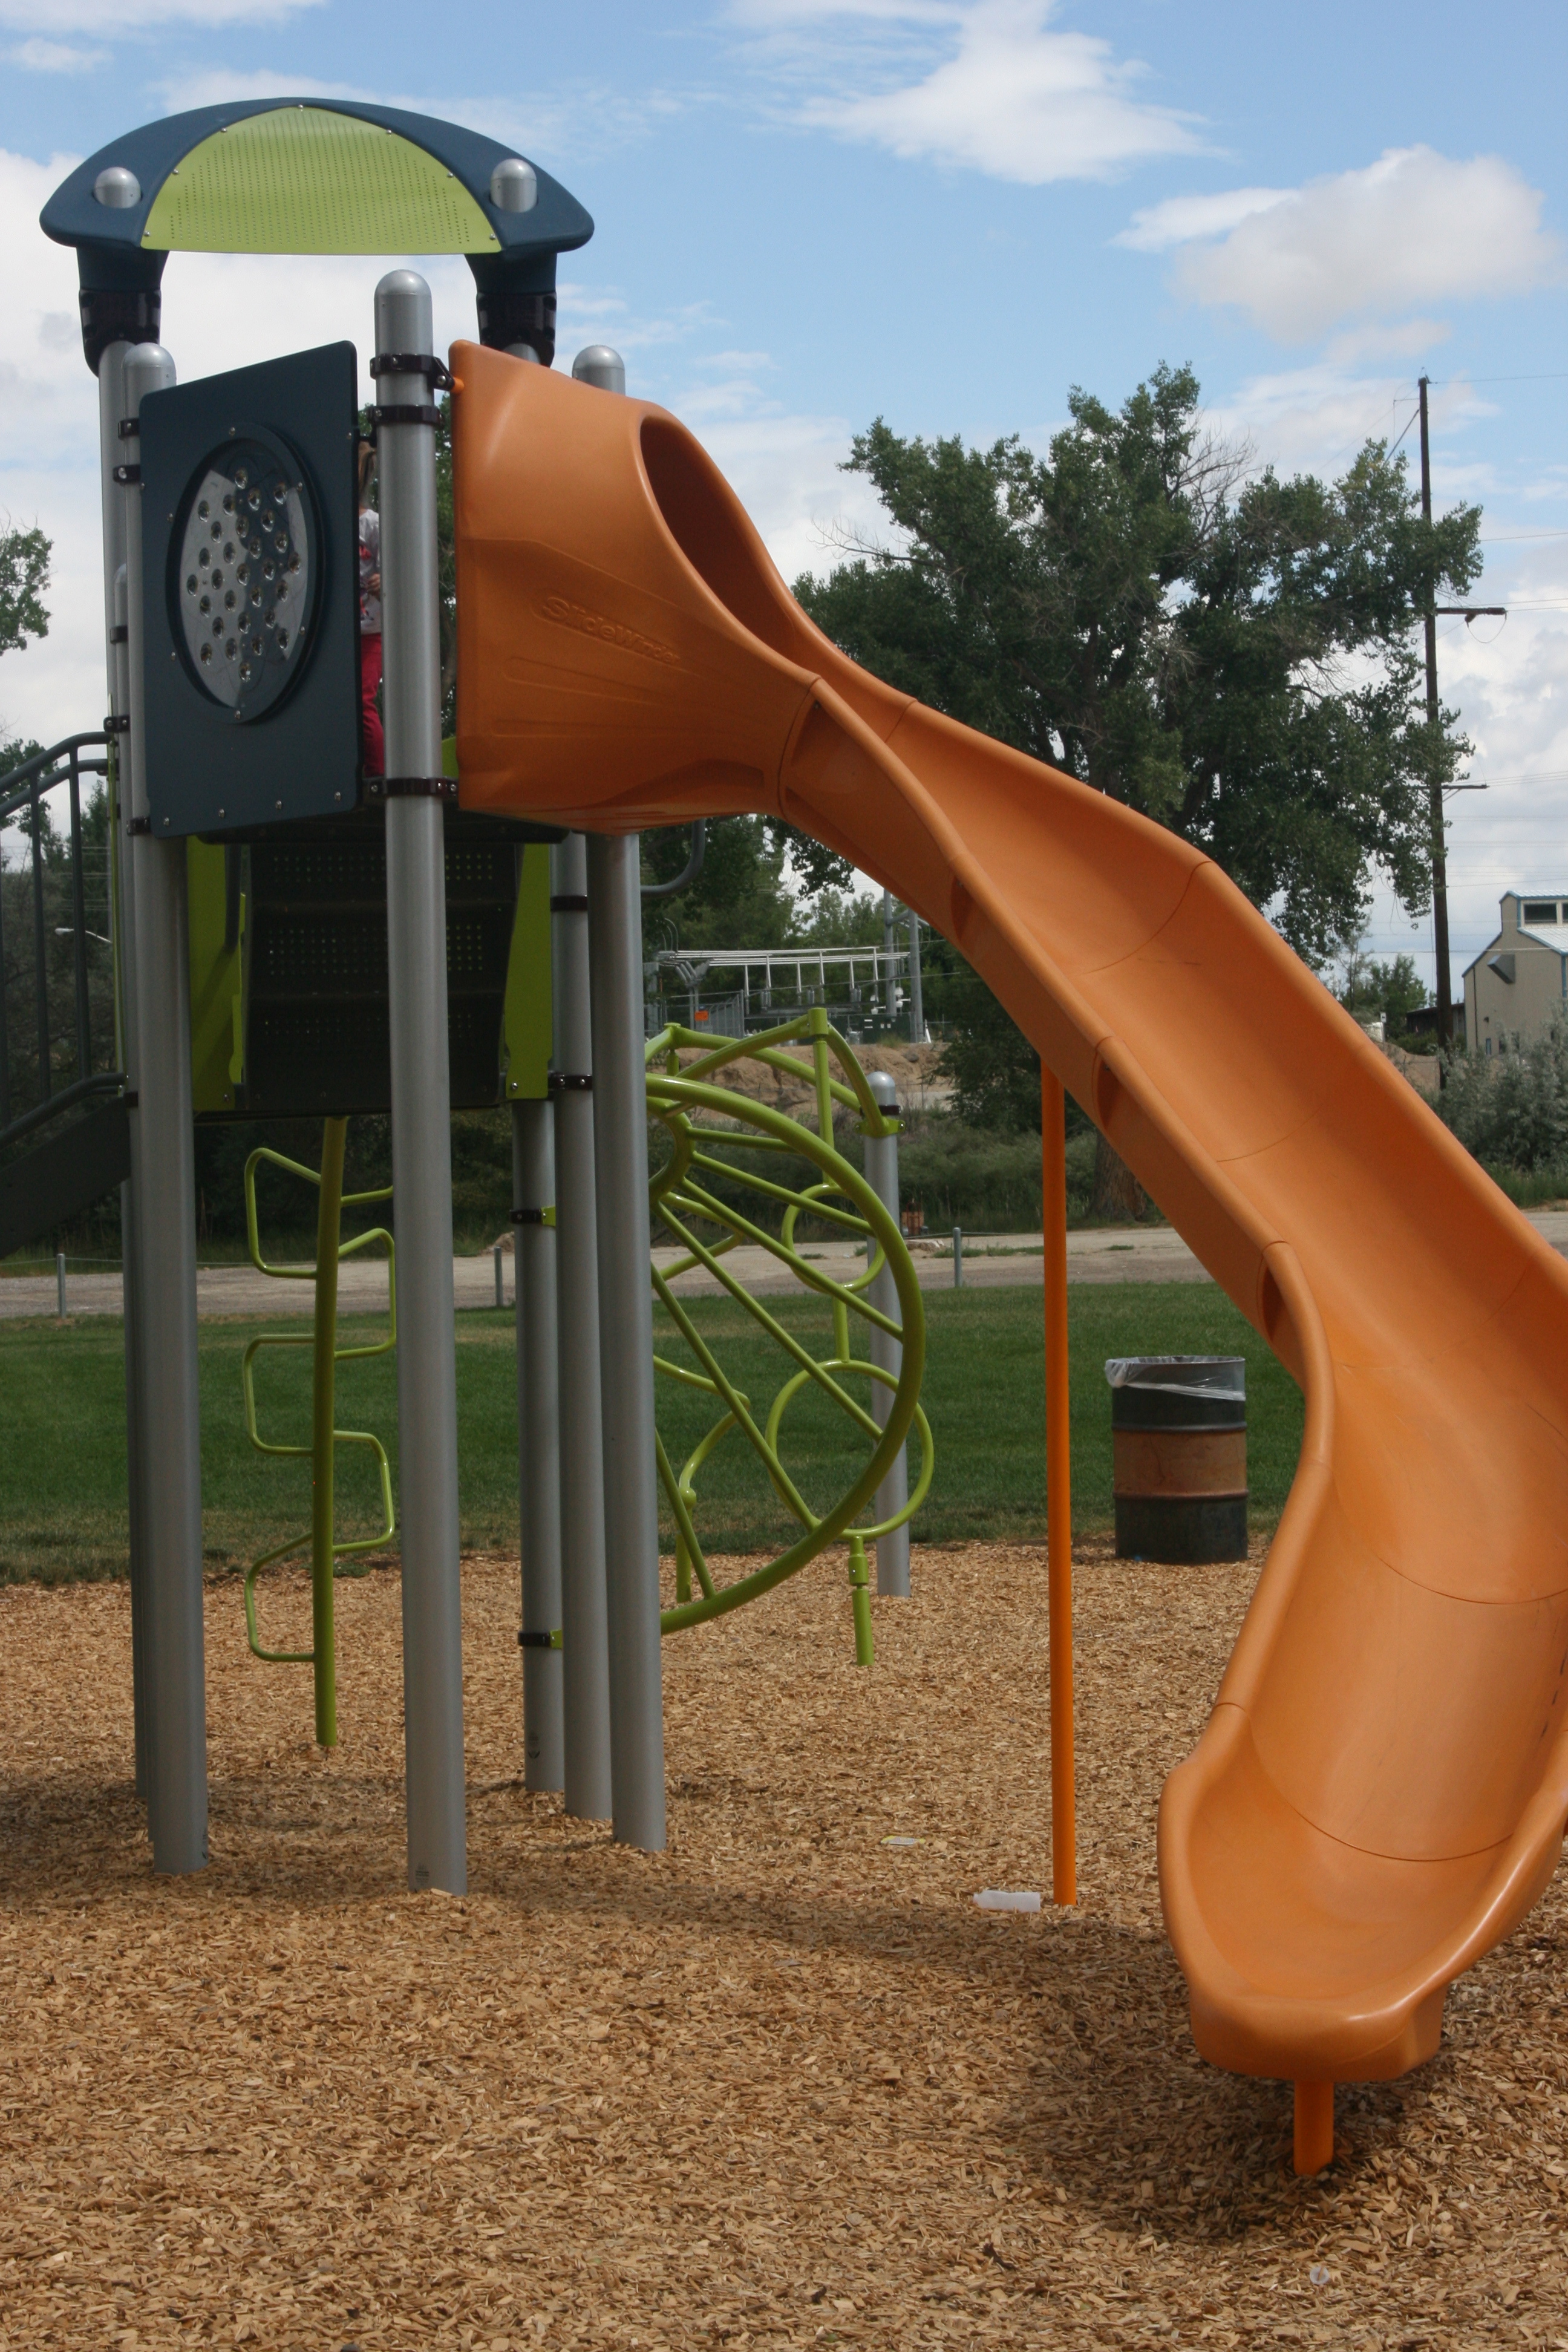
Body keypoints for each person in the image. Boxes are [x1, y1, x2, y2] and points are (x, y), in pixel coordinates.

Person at [358, 439, 383, 776]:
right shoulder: (332, 522)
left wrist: (383, 579)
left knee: (363, 701)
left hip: (370, 630)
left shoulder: (374, 525)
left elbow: (393, 567)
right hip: (340, 633)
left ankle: (378, 773)